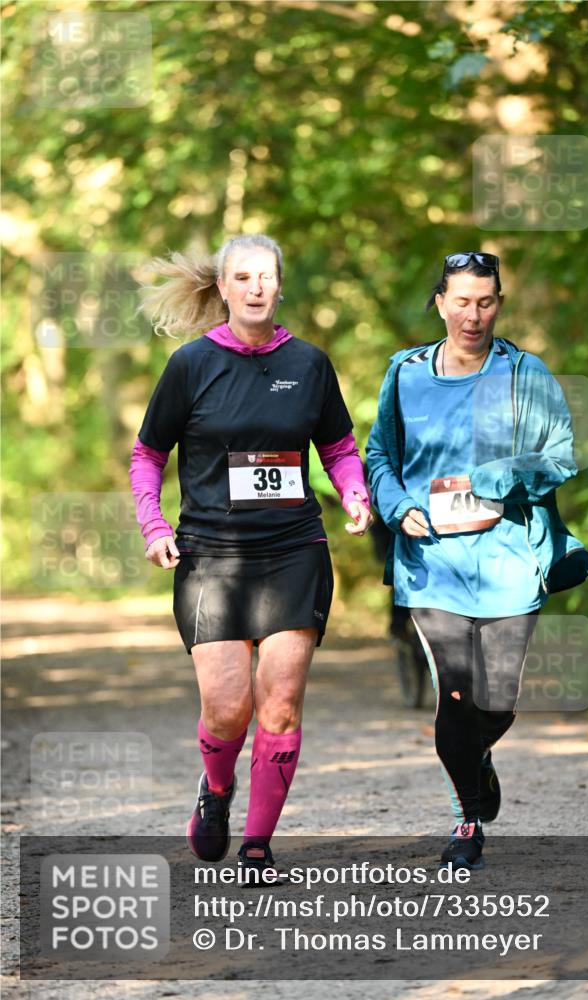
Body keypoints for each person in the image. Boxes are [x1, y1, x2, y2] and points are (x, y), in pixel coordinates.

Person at [129, 234, 373, 876]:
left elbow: (340, 446)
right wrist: (154, 526)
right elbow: (148, 455)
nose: (257, 287)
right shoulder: (190, 365)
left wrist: (353, 492)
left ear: (280, 284)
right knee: (228, 706)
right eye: (243, 277)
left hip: (294, 547)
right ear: (226, 288)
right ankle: (215, 790)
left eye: (267, 275)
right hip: (211, 554)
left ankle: (258, 843)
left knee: (283, 700)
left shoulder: (311, 363)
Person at [366, 251, 588, 871]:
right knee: (456, 697)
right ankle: (467, 819)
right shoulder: (406, 374)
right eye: (461, 301)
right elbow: (379, 452)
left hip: (508, 562)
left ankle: (477, 757)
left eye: (485, 302)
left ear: (499, 305)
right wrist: (394, 502)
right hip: (431, 561)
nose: (473, 314)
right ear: (440, 303)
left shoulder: (525, 373)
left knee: (498, 701)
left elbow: (562, 455)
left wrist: (498, 478)